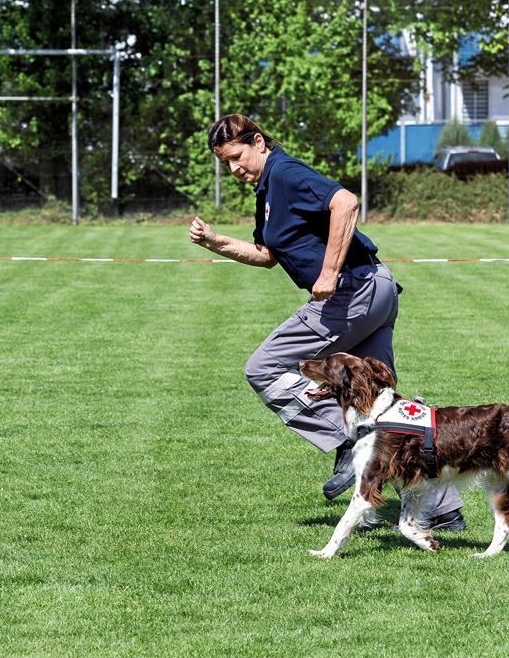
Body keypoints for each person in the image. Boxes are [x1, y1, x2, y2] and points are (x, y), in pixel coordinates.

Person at [189, 113, 464, 531]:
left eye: (236, 156)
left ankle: (345, 442)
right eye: (225, 163)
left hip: (351, 291)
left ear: (258, 142)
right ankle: (441, 511)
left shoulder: (285, 173)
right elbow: (266, 255)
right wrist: (215, 242)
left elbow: (346, 202)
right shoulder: (266, 189)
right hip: (375, 288)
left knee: (263, 368)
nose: (233, 169)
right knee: (381, 403)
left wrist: (329, 272)